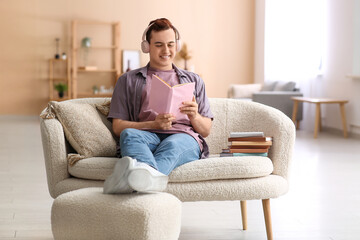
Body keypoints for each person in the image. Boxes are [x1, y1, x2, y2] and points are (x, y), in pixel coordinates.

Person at [103, 18, 213, 194]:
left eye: (170, 44)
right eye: (159, 44)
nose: (166, 50)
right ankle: (144, 184)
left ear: (177, 45)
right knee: (129, 134)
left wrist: (194, 116)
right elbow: (118, 127)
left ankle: (130, 181)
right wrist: (153, 125)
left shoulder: (194, 80)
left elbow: (206, 130)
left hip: (183, 138)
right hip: (147, 138)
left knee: (173, 144)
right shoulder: (128, 80)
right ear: (147, 47)